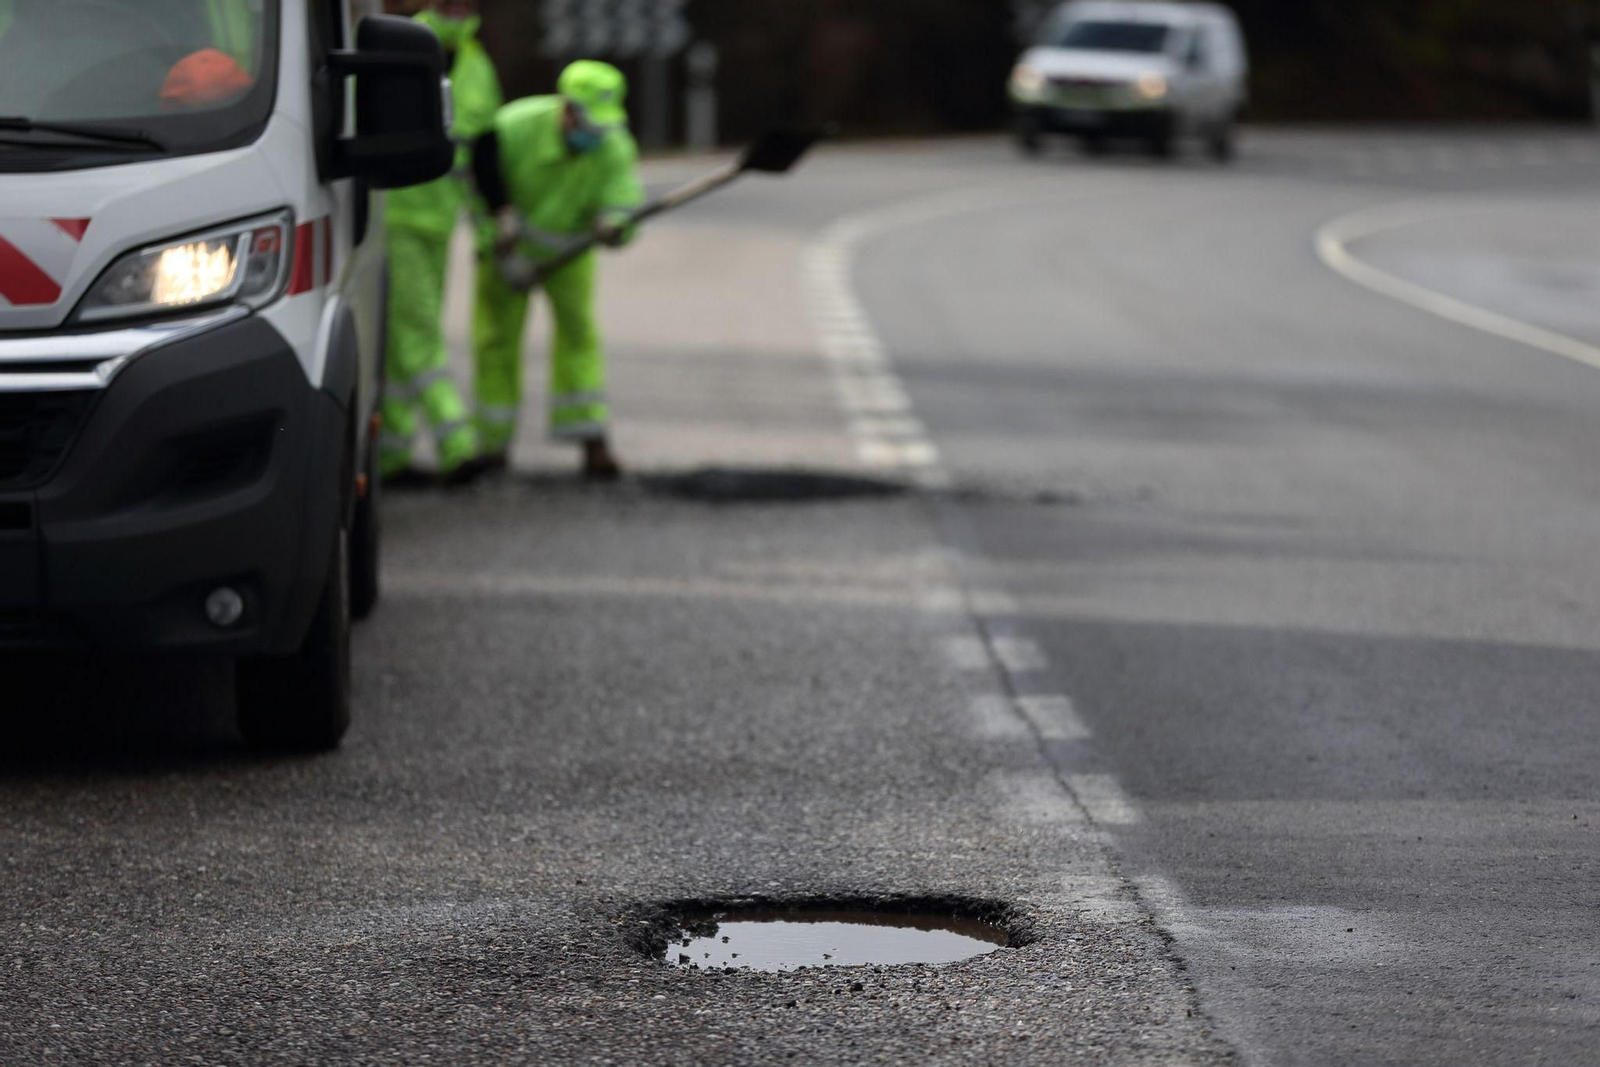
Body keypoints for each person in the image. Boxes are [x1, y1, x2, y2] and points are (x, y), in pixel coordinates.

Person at [470, 60, 644, 480]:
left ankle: (591, 438)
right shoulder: (515, 127)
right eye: (588, 122)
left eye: (602, 126)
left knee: (579, 336)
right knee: (496, 340)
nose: (595, 134)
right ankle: (493, 445)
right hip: (508, 248)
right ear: (566, 108)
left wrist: (616, 225)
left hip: (570, 254)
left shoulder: (613, 145)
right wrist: (500, 227)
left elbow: (623, 199)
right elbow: (480, 173)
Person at [379, 0, 502, 485]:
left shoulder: (477, 64)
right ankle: (458, 443)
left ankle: (389, 453)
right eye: (450, 3)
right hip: (398, 216)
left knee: (400, 341)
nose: (459, 12)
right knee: (420, 333)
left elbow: (483, 154)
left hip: (440, 222)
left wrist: (490, 225)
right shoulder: (401, 48)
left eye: (467, 5)